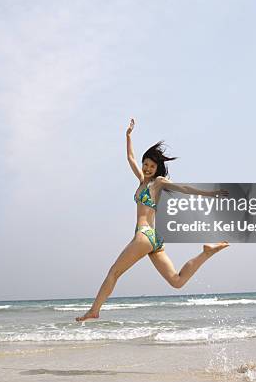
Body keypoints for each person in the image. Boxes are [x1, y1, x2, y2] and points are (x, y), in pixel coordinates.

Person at [76, 118, 229, 322]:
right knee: (177, 281)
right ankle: (206, 253)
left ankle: (94, 310)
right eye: (145, 164)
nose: (147, 168)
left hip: (143, 236)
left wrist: (209, 194)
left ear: (158, 168)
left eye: (151, 165)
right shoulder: (141, 182)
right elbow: (130, 157)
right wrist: (128, 136)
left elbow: (183, 188)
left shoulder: (158, 183)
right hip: (153, 239)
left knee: (113, 272)